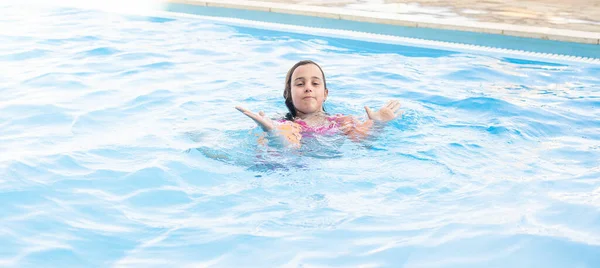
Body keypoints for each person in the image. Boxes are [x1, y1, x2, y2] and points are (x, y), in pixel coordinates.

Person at [235, 60, 402, 148]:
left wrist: (379, 124)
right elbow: (288, 148)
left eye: (315, 84)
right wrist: (272, 133)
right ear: (288, 95)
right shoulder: (285, 125)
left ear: (325, 94)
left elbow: (364, 142)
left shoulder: (342, 121)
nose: (308, 88)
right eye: (300, 84)